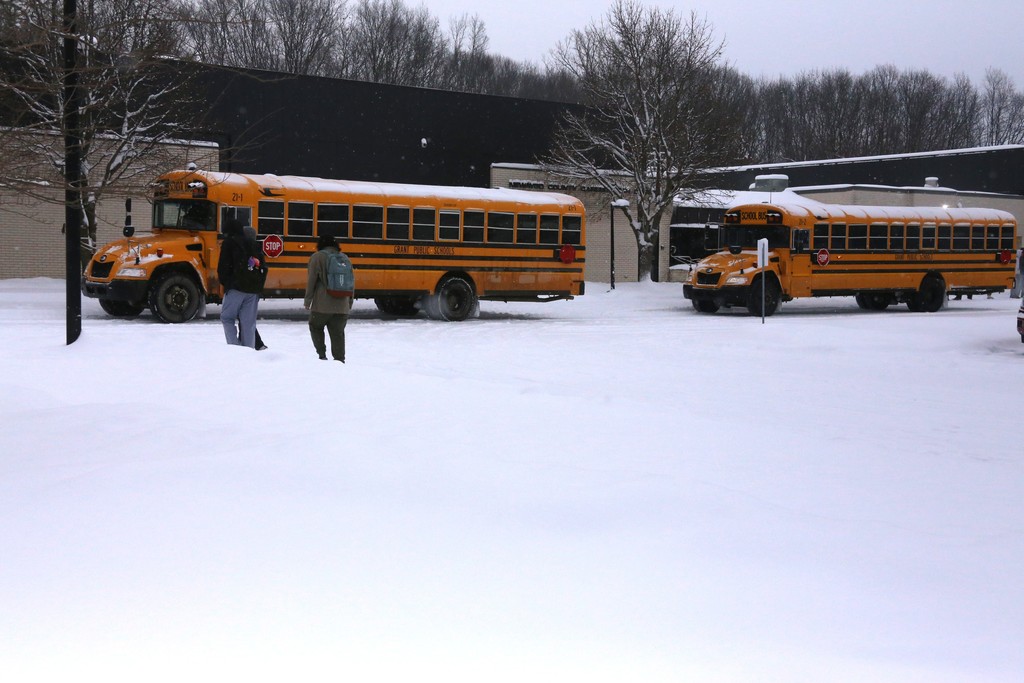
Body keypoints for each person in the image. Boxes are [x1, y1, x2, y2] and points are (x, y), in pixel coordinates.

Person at [304, 234, 352, 361]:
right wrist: (349, 302)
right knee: (338, 334)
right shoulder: (345, 258)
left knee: (315, 326)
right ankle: (339, 360)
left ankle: (322, 355)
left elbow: (311, 281)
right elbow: (351, 282)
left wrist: (308, 300)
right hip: (342, 305)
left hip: (322, 305)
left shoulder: (317, 257)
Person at [217, 218, 263, 348]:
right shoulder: (253, 244)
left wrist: (226, 283)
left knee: (227, 318)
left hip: (235, 287)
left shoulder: (229, 243)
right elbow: (263, 266)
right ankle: (248, 351)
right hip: (253, 289)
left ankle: (235, 349)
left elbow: (223, 267)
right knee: (248, 323)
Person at [243, 226, 269, 350]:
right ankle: (252, 342)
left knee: (245, 319)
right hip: (254, 290)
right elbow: (264, 270)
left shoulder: (243, 250)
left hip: (243, 290)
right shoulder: (258, 251)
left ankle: (257, 344)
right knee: (247, 318)